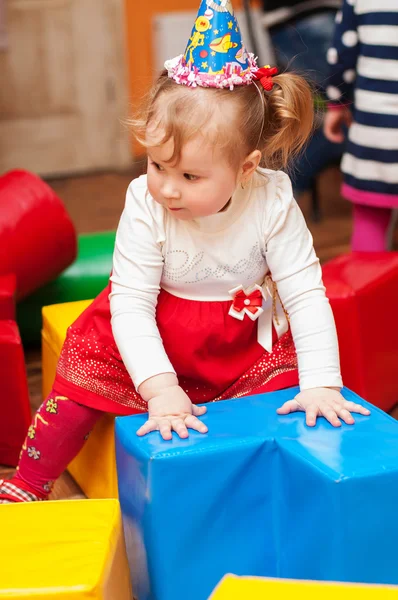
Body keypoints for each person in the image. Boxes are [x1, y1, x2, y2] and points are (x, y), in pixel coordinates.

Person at [0, 0, 369, 504]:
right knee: (76, 390)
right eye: (157, 166)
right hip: (150, 326)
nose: (168, 189)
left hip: (239, 341)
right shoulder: (144, 202)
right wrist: (159, 389)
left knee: (286, 399)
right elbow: (131, 304)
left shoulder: (272, 198)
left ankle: (260, 496)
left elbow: (306, 295)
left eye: (190, 176)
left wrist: (324, 382)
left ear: (246, 168)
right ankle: (28, 482)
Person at [323, 0, 398, 251]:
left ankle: (369, 279)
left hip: (374, 131)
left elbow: (342, 58)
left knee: (370, 220)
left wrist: (337, 104)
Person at [262, 0, 344, 196]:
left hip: (330, 15)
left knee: (357, 115)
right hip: (306, 13)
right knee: (359, 115)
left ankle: (279, 191)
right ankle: (279, 192)